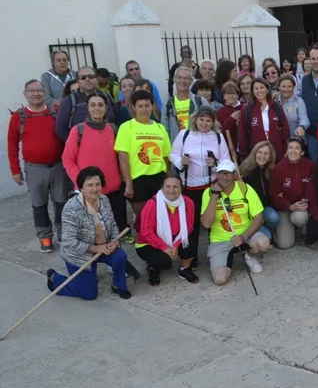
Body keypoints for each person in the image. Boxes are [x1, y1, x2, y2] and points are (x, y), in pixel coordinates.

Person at [45, 166, 130, 300]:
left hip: (103, 248)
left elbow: (113, 225)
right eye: (90, 185)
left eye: (97, 184)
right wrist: (96, 248)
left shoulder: (104, 200)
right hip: (79, 254)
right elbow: (69, 242)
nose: (95, 189)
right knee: (89, 294)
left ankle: (118, 285)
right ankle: (55, 279)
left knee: (119, 255)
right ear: (81, 187)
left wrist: (115, 241)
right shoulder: (72, 208)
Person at [7, 80, 67, 252]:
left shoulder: (55, 112)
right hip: (35, 168)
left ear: (44, 93)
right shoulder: (19, 117)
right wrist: (15, 170)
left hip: (58, 165)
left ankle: (63, 233)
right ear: (25, 94)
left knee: (61, 202)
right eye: (31, 90)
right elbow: (12, 144)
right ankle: (45, 237)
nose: (36, 94)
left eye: (39, 90)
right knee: (39, 204)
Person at [63, 92, 129, 243]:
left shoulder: (113, 129)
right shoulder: (78, 131)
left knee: (116, 233)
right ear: (87, 108)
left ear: (106, 107)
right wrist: (80, 182)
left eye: (100, 105)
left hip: (113, 189)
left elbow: (121, 157)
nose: (97, 108)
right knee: (93, 233)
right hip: (89, 191)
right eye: (92, 105)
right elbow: (67, 159)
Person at [168, 106, 231, 265]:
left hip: (211, 187)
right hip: (190, 187)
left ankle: (216, 257)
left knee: (214, 223)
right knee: (192, 225)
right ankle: (190, 259)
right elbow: (172, 154)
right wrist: (180, 161)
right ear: (195, 119)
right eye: (201, 119)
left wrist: (216, 165)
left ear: (213, 122)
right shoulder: (185, 134)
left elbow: (226, 160)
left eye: (208, 120)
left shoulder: (218, 137)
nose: (204, 123)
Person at [200, 160, 270, 284]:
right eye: (221, 173)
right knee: (220, 280)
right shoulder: (208, 192)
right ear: (217, 175)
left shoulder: (245, 189)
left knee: (263, 243)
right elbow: (206, 224)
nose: (224, 176)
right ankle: (226, 260)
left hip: (245, 234)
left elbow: (259, 219)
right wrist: (214, 197)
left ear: (235, 175)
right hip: (220, 239)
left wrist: (244, 236)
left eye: (228, 173)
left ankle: (249, 257)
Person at [115, 90, 171, 233]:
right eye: (140, 106)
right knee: (142, 217)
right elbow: (123, 157)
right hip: (137, 179)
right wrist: (128, 183)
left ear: (152, 106)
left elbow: (166, 156)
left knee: (159, 215)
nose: (144, 109)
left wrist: (168, 177)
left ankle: (158, 241)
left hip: (158, 178)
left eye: (147, 105)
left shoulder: (160, 128)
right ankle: (144, 242)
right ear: (134, 107)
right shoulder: (126, 127)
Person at [134, 174, 197, 285]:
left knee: (191, 243)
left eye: (175, 186)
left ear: (181, 188)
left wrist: (176, 245)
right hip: (148, 243)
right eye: (168, 186)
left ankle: (184, 269)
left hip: (174, 239)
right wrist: (165, 247)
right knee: (162, 261)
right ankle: (153, 269)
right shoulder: (152, 204)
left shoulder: (188, 203)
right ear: (162, 187)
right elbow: (146, 232)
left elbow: (188, 228)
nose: (171, 190)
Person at [270, 138, 315, 249]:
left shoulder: (310, 166)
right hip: (284, 208)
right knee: (285, 245)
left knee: (300, 218)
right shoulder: (279, 168)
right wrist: (289, 206)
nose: (293, 151)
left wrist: (306, 198)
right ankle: (275, 231)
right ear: (286, 151)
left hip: (301, 207)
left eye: (297, 148)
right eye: (290, 148)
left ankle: (304, 231)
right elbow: (274, 194)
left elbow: (315, 187)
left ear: (302, 152)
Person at [55, 66, 115, 141]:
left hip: (108, 143)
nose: (87, 79)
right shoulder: (69, 101)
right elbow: (60, 128)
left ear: (96, 79)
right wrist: (75, 143)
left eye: (91, 77)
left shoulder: (107, 96)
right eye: (83, 78)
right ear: (78, 82)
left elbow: (116, 119)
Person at [238, 77, 290, 162]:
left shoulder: (276, 107)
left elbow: (285, 130)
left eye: (262, 87)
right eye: (256, 88)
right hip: (257, 154)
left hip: (277, 152)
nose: (259, 91)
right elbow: (243, 133)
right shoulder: (247, 109)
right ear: (252, 91)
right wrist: (244, 154)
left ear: (267, 90)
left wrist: (287, 148)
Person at [239, 141, 280, 241]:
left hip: (264, 207)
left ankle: (265, 229)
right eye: (260, 152)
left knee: (274, 218)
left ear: (270, 157)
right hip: (249, 211)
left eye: (266, 154)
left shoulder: (271, 171)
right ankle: (259, 231)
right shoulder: (245, 170)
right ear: (254, 153)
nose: (262, 156)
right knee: (267, 238)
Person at [162, 66, 210, 141]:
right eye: (179, 77)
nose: (182, 81)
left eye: (186, 78)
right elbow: (165, 130)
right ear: (174, 79)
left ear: (191, 81)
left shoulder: (201, 101)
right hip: (176, 145)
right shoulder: (168, 104)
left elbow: (210, 124)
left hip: (197, 144)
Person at [275, 74, 310, 139]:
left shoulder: (299, 101)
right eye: (283, 86)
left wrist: (301, 127)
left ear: (293, 87)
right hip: (279, 139)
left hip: (295, 140)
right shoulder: (274, 101)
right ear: (279, 87)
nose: (286, 89)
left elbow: (304, 119)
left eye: (289, 86)